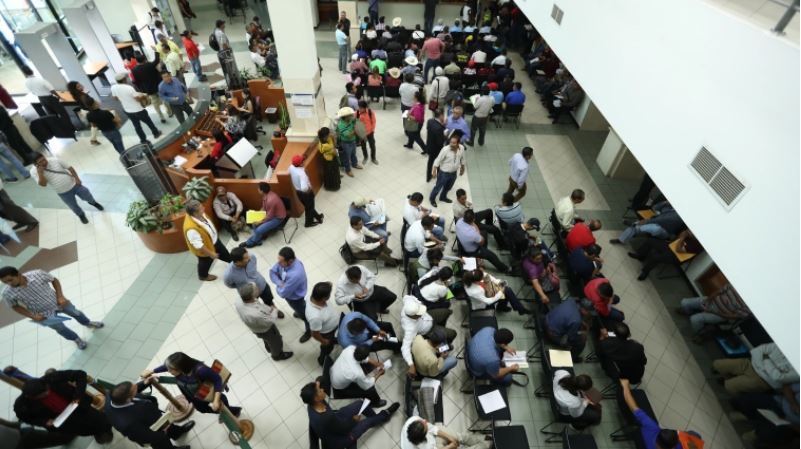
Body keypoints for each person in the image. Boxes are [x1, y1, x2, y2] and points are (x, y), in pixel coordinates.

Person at [0, 266, 104, 348]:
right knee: (60, 328)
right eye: (5, 282)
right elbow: (15, 306)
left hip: (59, 303)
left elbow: (54, 280)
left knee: (76, 313)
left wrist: (60, 296)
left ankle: (88, 323)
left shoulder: (38, 274)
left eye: (10, 280)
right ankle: (76, 339)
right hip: (43, 314)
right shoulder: (7, 293)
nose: (8, 284)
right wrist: (32, 316)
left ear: (18, 274)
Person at [15, 372, 112, 443]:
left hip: (81, 407)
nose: (48, 393)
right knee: (84, 430)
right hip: (65, 422)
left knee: (101, 420)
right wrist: (44, 421)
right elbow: (25, 418)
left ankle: (106, 430)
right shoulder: (21, 405)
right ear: (31, 397)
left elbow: (80, 375)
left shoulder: (50, 379)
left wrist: (77, 396)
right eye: (44, 395)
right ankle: (96, 432)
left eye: (47, 390)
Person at [301, 380, 399, 449]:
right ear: (316, 399)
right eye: (319, 390)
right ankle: (385, 415)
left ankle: (376, 418)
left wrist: (317, 383)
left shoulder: (311, 405)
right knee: (367, 423)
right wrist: (354, 420)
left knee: (360, 404)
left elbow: (314, 425)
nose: (322, 390)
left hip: (337, 420)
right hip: (340, 438)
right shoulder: (326, 418)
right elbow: (343, 430)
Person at [142, 352, 242, 416]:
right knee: (202, 409)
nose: (168, 371)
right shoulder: (179, 368)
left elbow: (217, 380)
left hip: (207, 393)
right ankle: (222, 412)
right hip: (194, 396)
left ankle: (233, 411)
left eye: (170, 370)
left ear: (182, 367)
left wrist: (216, 400)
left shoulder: (201, 370)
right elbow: (165, 366)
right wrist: (152, 371)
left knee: (221, 404)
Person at [106, 380, 195, 449]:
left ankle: (177, 433)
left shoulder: (112, 395)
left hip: (155, 417)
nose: (136, 387)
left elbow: (132, 389)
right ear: (128, 399)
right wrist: (162, 434)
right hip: (152, 432)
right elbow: (144, 437)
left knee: (169, 425)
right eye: (134, 390)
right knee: (162, 444)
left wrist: (145, 383)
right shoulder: (127, 424)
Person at [619, 378, 704, 449]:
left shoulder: (651, 427)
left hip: (640, 440)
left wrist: (625, 387)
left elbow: (634, 408)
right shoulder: (679, 446)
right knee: (695, 435)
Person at [31, 154, 103, 224]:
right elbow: (43, 184)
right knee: (73, 206)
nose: (44, 162)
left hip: (74, 184)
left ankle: (93, 203)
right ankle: (81, 215)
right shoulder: (33, 171)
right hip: (62, 192)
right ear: (35, 164)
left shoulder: (55, 160)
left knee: (87, 194)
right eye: (40, 162)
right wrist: (40, 173)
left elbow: (70, 168)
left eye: (44, 159)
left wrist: (77, 178)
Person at [712, 342, 798, 395]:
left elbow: (778, 377)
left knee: (729, 386)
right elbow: (756, 351)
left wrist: (766, 359)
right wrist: (767, 368)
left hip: (762, 380)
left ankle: (733, 383)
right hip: (750, 363)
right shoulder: (783, 345)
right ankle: (731, 377)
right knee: (717, 364)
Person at [730, 383, 800, 448]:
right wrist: (793, 403)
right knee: (740, 401)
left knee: (767, 435)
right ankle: (748, 416)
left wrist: (789, 423)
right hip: (778, 403)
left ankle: (755, 433)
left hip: (789, 424)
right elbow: (786, 388)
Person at [402, 296, 456, 378]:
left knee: (447, 312)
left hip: (429, 318)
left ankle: (444, 339)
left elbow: (406, 297)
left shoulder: (418, 338)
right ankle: (447, 346)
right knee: (452, 334)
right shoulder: (410, 328)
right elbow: (405, 348)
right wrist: (441, 358)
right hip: (430, 329)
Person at [235, 282, 293, 360]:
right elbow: (269, 321)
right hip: (266, 330)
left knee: (267, 340)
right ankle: (277, 355)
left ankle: (268, 346)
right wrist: (275, 311)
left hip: (256, 327)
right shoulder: (255, 313)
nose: (258, 288)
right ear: (252, 295)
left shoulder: (239, 300)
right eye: (256, 288)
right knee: (276, 342)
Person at [677, 282, 750, 341]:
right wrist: (707, 301)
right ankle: (689, 312)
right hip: (711, 301)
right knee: (684, 302)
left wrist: (712, 312)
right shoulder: (736, 284)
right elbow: (718, 292)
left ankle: (701, 334)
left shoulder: (749, 306)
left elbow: (733, 316)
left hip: (720, 315)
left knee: (694, 319)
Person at [223, 247, 283, 317]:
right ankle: (263, 315)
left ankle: (273, 309)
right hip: (249, 294)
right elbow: (230, 285)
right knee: (254, 307)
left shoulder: (251, 257)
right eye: (245, 258)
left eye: (247, 255)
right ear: (238, 262)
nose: (249, 258)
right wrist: (241, 286)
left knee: (269, 299)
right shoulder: (229, 274)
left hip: (262, 285)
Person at [269, 246, 311, 342]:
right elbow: (272, 272)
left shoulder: (295, 274)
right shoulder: (284, 263)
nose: (278, 264)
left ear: (290, 261)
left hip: (295, 298)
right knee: (299, 309)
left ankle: (309, 331)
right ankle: (299, 312)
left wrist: (278, 287)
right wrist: (280, 283)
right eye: (278, 260)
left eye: (281, 262)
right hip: (290, 294)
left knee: (305, 315)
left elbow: (282, 294)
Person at [183, 199, 231, 281]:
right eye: (201, 208)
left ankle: (232, 262)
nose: (204, 208)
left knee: (224, 253)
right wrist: (211, 253)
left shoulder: (199, 214)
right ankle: (203, 276)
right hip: (205, 249)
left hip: (214, 240)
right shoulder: (191, 228)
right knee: (205, 262)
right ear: (195, 213)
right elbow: (199, 245)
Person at [629, 229, 702, 281]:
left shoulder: (697, 245)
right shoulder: (689, 236)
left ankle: (645, 272)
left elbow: (678, 249)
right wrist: (683, 235)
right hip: (671, 246)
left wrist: (683, 237)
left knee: (656, 257)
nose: (690, 231)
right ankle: (640, 255)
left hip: (676, 257)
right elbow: (679, 238)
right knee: (651, 241)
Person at [110, 73, 162, 143]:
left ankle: (143, 140)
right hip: (138, 110)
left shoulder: (113, 87)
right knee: (148, 122)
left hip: (127, 110)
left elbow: (115, 98)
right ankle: (156, 133)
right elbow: (137, 99)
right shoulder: (129, 88)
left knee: (137, 126)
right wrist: (144, 96)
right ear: (124, 79)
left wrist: (124, 99)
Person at [610, 201, 685, 245]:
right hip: (657, 221)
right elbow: (655, 208)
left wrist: (646, 221)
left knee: (652, 227)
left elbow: (661, 220)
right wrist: (665, 203)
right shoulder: (671, 207)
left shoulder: (676, 216)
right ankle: (624, 237)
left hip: (664, 230)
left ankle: (635, 225)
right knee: (639, 226)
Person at [462, 268, 529, 314]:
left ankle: (515, 308)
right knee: (506, 291)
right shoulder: (474, 291)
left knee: (507, 290)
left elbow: (488, 276)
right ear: (476, 281)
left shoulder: (474, 274)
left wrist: (498, 282)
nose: (483, 277)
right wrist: (501, 292)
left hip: (487, 292)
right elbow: (488, 302)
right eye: (481, 279)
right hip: (483, 303)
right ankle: (518, 309)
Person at [402, 415, 490, 449]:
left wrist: (449, 437)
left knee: (458, 436)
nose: (425, 420)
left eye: (423, 422)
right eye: (425, 424)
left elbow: (433, 428)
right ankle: (484, 446)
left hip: (434, 438)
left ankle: (481, 439)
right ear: (423, 437)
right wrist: (450, 447)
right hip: (434, 447)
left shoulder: (414, 420)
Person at [306, 281, 341, 365]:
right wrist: (323, 341)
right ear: (324, 298)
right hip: (328, 334)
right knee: (326, 349)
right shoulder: (315, 317)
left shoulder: (313, 296)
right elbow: (314, 333)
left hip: (336, 326)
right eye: (329, 294)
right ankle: (322, 361)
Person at [242, 182, 286, 247]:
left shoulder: (271, 200)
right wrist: (258, 214)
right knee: (254, 224)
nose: (257, 190)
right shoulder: (266, 195)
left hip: (277, 218)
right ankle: (258, 239)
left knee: (258, 230)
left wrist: (260, 221)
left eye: (258, 189)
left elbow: (269, 216)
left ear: (262, 191)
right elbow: (264, 207)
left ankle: (251, 242)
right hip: (270, 215)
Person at [130, 54, 171, 124]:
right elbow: (157, 60)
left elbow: (137, 81)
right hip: (159, 86)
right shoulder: (150, 65)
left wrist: (141, 89)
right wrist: (156, 52)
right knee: (164, 99)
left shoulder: (134, 70)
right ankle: (169, 112)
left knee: (155, 103)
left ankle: (161, 117)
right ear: (144, 59)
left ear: (137, 60)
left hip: (148, 89)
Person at [429, 134, 466, 206]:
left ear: (458, 143)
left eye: (454, 143)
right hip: (444, 173)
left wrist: (462, 168)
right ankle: (432, 199)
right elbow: (438, 160)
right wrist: (434, 171)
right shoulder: (445, 150)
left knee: (448, 187)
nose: (451, 144)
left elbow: (462, 158)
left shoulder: (461, 148)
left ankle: (442, 197)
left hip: (453, 173)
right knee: (438, 187)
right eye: (450, 142)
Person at [289, 155, 324, 227]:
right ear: (300, 164)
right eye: (303, 161)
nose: (304, 161)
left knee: (309, 207)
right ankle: (308, 223)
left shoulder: (291, 167)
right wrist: (309, 190)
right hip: (306, 194)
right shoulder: (302, 174)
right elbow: (304, 188)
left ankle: (318, 217)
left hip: (298, 192)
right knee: (309, 208)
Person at [0, 416, 75, 449]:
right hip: (19, 440)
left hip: (19, 434)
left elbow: (6, 423)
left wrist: (21, 425)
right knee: (64, 437)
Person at [310, 127, 340, 191]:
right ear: (325, 135)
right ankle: (334, 187)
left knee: (328, 174)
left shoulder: (323, 139)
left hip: (326, 159)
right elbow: (334, 148)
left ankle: (328, 186)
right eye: (329, 133)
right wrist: (334, 139)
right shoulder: (326, 145)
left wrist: (332, 138)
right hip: (330, 160)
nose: (330, 134)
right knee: (332, 174)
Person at [336, 107, 361, 177]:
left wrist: (358, 119)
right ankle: (348, 170)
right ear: (345, 116)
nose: (351, 116)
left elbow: (356, 120)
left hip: (353, 141)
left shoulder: (350, 119)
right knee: (346, 157)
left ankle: (355, 164)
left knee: (353, 153)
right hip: (346, 143)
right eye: (350, 115)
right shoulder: (341, 124)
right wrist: (355, 129)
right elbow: (348, 135)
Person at [357, 100, 378, 164]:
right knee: (363, 146)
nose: (359, 109)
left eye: (361, 108)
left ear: (365, 107)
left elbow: (373, 122)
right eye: (359, 107)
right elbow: (354, 121)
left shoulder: (370, 112)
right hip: (362, 134)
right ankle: (365, 157)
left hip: (370, 133)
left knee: (372, 146)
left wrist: (372, 131)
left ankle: (373, 158)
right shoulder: (357, 113)